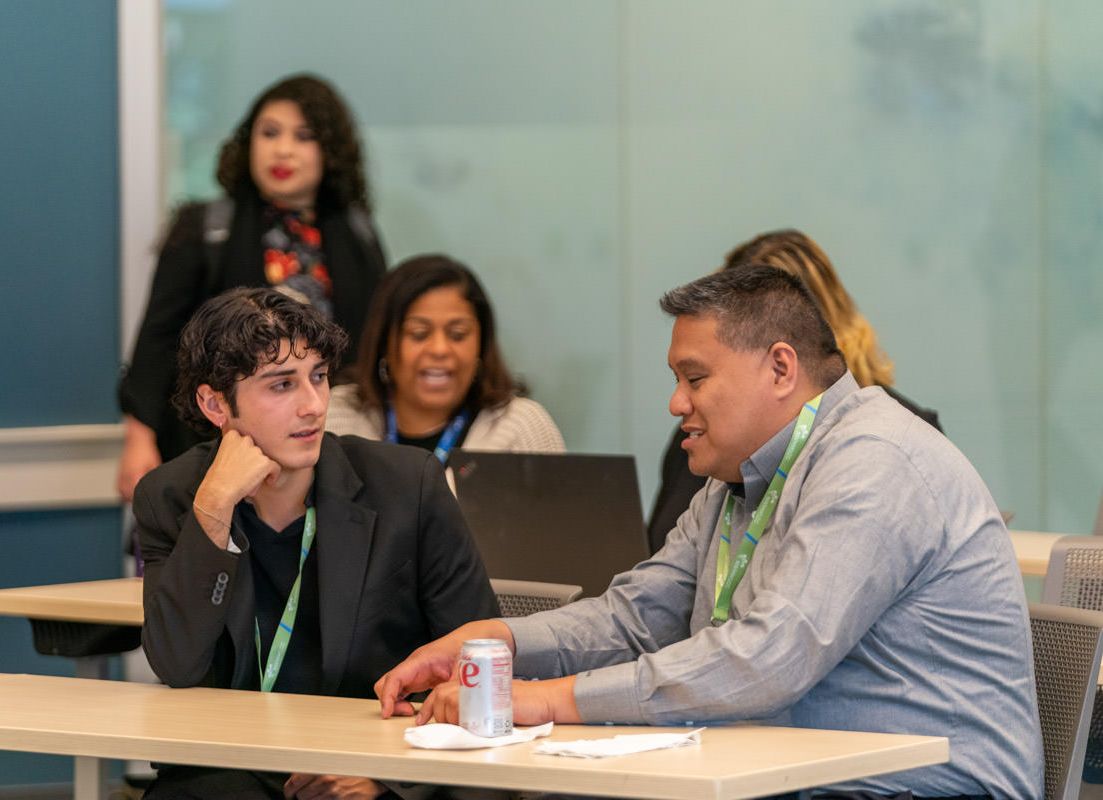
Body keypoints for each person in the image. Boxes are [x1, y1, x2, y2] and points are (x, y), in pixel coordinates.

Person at [376, 266, 1042, 800]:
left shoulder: (872, 461)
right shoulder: (734, 482)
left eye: (694, 378)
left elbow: (767, 658)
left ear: (781, 369)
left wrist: (542, 700)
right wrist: (498, 641)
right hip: (788, 772)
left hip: (929, 784)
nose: (676, 404)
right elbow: (633, 620)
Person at [134, 287, 498, 799]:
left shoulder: (406, 485)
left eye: (319, 377)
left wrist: (386, 777)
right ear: (215, 403)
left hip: (371, 762)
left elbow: (478, 663)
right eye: (281, 385)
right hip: (230, 769)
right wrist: (212, 512)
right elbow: (177, 663)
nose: (313, 406)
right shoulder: (172, 496)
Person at [118, 73, 387, 502]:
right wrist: (139, 440)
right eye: (269, 133)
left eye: (303, 136)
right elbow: (157, 341)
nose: (283, 149)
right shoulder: (205, 228)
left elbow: (373, 340)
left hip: (325, 444)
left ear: (330, 152)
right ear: (248, 145)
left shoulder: (356, 233)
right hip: (214, 446)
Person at [647, 229, 942, 551]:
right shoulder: (704, 436)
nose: (679, 404)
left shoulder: (889, 443)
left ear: (782, 364)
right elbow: (659, 563)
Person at [326, 254, 565, 462]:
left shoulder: (521, 427)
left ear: (481, 344)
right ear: (384, 344)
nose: (440, 349)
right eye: (419, 334)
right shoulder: (337, 417)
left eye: (457, 335)